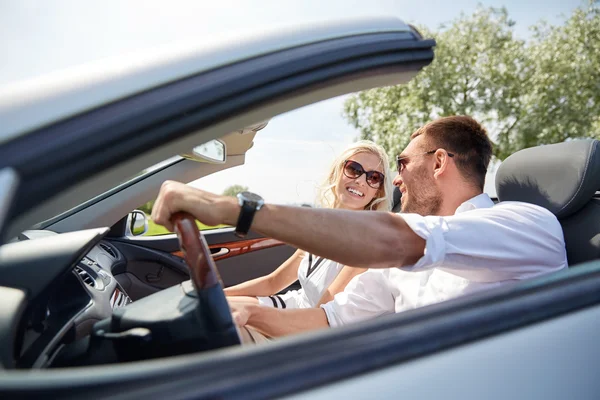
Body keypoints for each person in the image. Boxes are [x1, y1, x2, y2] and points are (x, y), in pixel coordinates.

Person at [151, 115, 567, 343]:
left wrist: (226, 208)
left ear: (439, 163)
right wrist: (247, 311)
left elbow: (400, 240)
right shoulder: (401, 255)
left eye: (400, 166)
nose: (395, 181)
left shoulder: (525, 224)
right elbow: (331, 319)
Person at [224, 140, 394, 310]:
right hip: (291, 306)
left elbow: (321, 313)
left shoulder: (366, 243)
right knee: (215, 310)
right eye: (354, 169)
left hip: (307, 322)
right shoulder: (319, 227)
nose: (361, 181)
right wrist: (221, 295)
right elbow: (273, 283)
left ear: (378, 190)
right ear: (337, 172)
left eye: (373, 177)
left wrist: (253, 314)